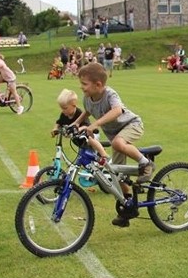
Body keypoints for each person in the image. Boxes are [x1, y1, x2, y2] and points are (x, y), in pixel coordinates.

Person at [72, 62, 154, 227]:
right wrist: (75, 123)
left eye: (84, 84)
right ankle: (128, 207)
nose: (81, 87)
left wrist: (95, 125)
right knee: (117, 175)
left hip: (132, 125)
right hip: (116, 135)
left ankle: (146, 163)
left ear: (98, 84)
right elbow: (87, 112)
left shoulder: (110, 94)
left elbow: (117, 111)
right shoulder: (87, 98)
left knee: (117, 143)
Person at [51, 88, 108, 161]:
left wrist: (78, 129)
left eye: (65, 108)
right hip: (80, 140)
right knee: (83, 158)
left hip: (90, 134)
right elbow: (59, 122)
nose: (63, 110)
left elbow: (86, 126)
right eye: (61, 108)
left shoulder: (79, 113)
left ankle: (104, 155)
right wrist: (55, 129)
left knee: (90, 142)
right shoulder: (64, 114)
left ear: (74, 105)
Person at [0, 49, 24, 114]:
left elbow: (1, 65)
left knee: (14, 92)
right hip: (4, 77)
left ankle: (20, 107)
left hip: (10, 78)